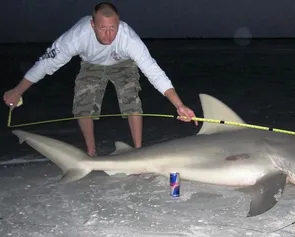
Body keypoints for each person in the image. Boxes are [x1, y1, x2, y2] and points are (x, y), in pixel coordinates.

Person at [3, 2, 198, 156]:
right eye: (103, 28)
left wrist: (179, 105)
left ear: (119, 24)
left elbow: (153, 71)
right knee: (83, 104)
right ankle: (91, 152)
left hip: (123, 63)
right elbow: (46, 64)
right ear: (92, 24)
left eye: (113, 28)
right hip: (91, 64)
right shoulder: (77, 36)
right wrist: (18, 90)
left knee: (131, 99)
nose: (108, 34)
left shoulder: (128, 38)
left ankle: (138, 151)